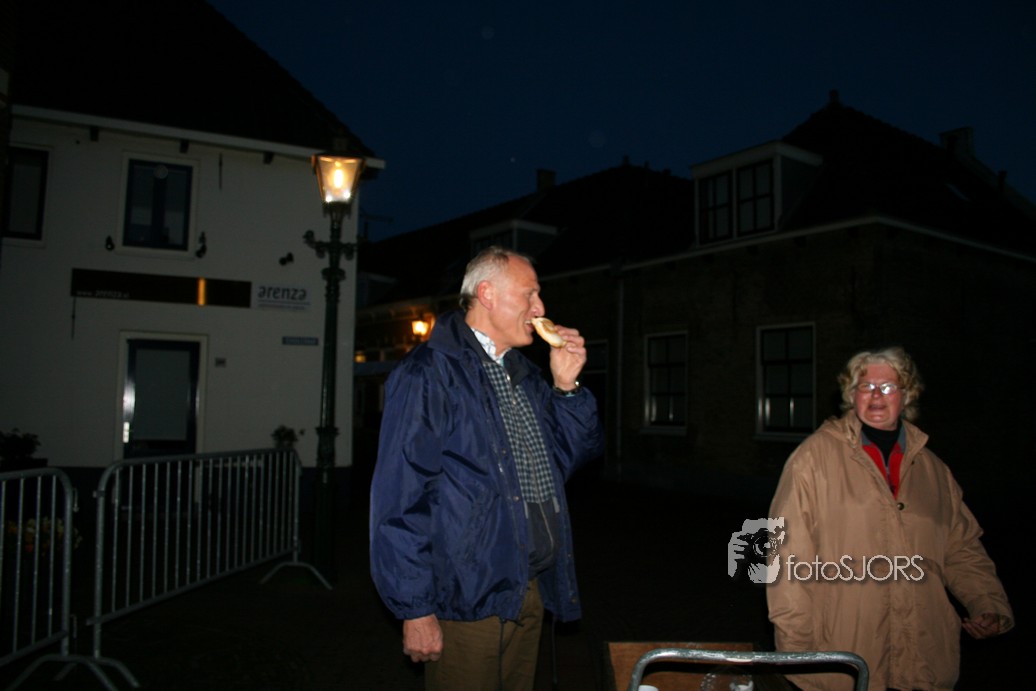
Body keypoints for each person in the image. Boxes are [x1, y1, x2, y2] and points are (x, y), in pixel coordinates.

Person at [369, 246, 604, 691]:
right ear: (487, 294)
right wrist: (415, 608)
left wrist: (567, 386)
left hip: (527, 588)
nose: (540, 308)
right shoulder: (429, 373)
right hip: (467, 597)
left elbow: (569, 459)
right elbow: (399, 499)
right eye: (529, 294)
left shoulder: (525, 376)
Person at [766, 347, 1013, 691]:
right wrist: (797, 646)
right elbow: (786, 555)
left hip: (924, 656)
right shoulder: (813, 459)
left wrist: (987, 603)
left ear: (907, 395)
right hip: (845, 657)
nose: (876, 396)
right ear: (851, 395)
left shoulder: (934, 471)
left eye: (888, 387)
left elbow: (961, 548)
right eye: (865, 387)